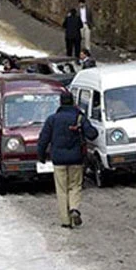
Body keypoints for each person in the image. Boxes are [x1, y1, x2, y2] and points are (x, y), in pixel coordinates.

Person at [37, 91, 98, 228]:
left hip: (58, 160)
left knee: (62, 189)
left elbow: (43, 139)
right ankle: (74, 208)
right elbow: (92, 134)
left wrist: (41, 156)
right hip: (76, 159)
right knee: (75, 186)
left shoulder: (52, 119)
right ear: (73, 102)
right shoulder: (79, 118)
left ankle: (65, 221)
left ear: (60, 103)